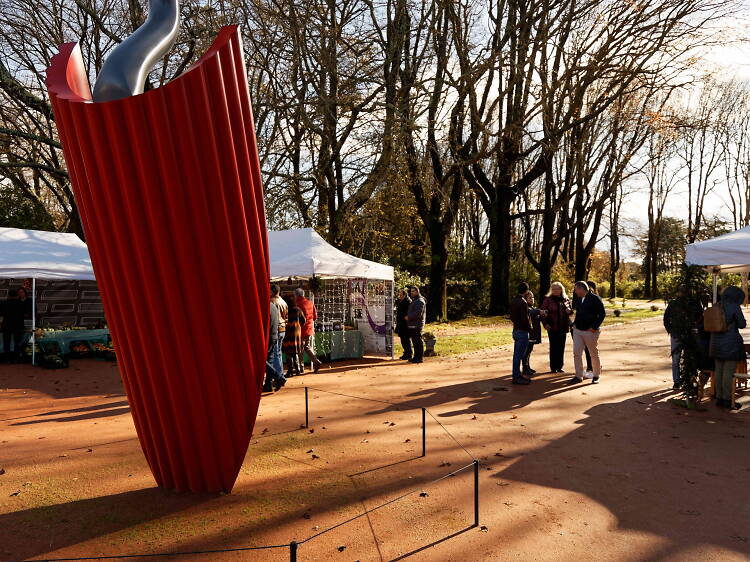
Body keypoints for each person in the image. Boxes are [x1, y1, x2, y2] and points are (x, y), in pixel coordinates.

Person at [710, 286, 747, 409]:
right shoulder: (734, 306)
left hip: (715, 344)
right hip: (730, 344)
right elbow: (742, 324)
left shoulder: (716, 305)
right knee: (728, 372)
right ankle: (727, 400)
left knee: (719, 371)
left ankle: (719, 398)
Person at [663, 285, 704, 390]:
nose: (682, 294)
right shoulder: (673, 304)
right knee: (676, 359)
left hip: (690, 334)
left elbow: (701, 316)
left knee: (691, 357)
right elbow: (666, 318)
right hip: (676, 334)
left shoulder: (694, 303)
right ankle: (677, 382)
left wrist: (695, 325)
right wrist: (671, 330)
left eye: (685, 292)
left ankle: (691, 379)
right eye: (681, 292)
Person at [569, 281, 605, 384]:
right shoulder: (579, 299)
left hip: (590, 331)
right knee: (577, 353)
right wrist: (574, 324)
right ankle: (578, 376)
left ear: (581, 289)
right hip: (578, 331)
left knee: (593, 354)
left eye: (576, 289)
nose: (575, 292)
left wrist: (594, 327)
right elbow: (579, 313)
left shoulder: (595, 298)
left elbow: (602, 314)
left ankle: (596, 375)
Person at [541, 282, 574, 373]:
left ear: (561, 290)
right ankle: (553, 367)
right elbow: (542, 313)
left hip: (563, 326)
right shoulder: (548, 300)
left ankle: (559, 366)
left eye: (557, 289)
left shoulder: (565, 299)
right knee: (553, 346)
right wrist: (545, 324)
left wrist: (569, 311)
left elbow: (571, 313)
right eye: (554, 289)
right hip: (552, 326)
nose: (555, 290)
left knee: (561, 346)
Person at [263, 285, 287, 393]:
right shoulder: (281, 302)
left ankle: (278, 376)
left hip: (273, 333)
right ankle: (269, 383)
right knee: (273, 357)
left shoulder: (271, 303)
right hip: (278, 331)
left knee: (273, 357)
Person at [294, 288, 322, 373]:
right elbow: (315, 317)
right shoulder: (310, 302)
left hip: (301, 329)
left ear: (296, 295)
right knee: (306, 347)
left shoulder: (297, 304)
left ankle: (301, 367)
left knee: (300, 349)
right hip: (309, 329)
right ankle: (316, 361)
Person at [509, 282, 532, 385]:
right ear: (526, 291)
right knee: (519, 355)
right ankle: (516, 376)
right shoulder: (523, 302)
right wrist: (530, 328)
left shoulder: (514, 301)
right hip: (522, 331)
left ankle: (517, 374)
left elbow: (512, 317)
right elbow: (525, 319)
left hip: (516, 330)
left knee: (517, 355)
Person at [523, 291, 545, 377]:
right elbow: (530, 313)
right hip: (529, 333)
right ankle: (525, 368)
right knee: (526, 351)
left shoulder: (533, 308)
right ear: (525, 299)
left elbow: (536, 316)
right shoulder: (526, 307)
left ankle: (528, 366)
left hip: (534, 333)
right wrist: (539, 311)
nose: (532, 299)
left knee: (529, 351)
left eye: (532, 297)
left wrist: (541, 315)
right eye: (529, 298)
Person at [283, 297, 306, 377]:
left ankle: (290, 371)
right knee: (295, 352)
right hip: (296, 334)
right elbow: (304, 320)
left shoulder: (285, 310)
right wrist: (298, 326)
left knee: (288, 353)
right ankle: (297, 370)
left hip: (287, 334)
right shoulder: (298, 310)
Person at [1, 289, 26, 363]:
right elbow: (23, 315)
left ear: (8, 295)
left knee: (6, 342)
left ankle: (7, 359)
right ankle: (16, 358)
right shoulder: (21, 303)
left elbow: (1, 314)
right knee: (17, 342)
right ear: (17, 295)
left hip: (6, 325)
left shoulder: (3, 303)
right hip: (17, 325)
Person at [406, 287, 426, 364]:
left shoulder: (420, 301)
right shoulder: (415, 300)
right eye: (411, 291)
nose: (412, 293)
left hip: (417, 325)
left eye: (413, 291)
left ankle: (419, 358)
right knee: (415, 341)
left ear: (418, 291)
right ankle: (415, 357)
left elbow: (418, 313)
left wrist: (409, 317)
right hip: (412, 324)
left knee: (418, 341)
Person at [395, 289, 412, 360]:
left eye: (400, 294)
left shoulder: (408, 301)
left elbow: (408, 311)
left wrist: (406, 317)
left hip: (405, 324)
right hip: (401, 323)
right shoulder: (402, 301)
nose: (399, 296)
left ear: (404, 294)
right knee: (403, 339)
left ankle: (408, 353)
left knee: (405, 339)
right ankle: (406, 353)